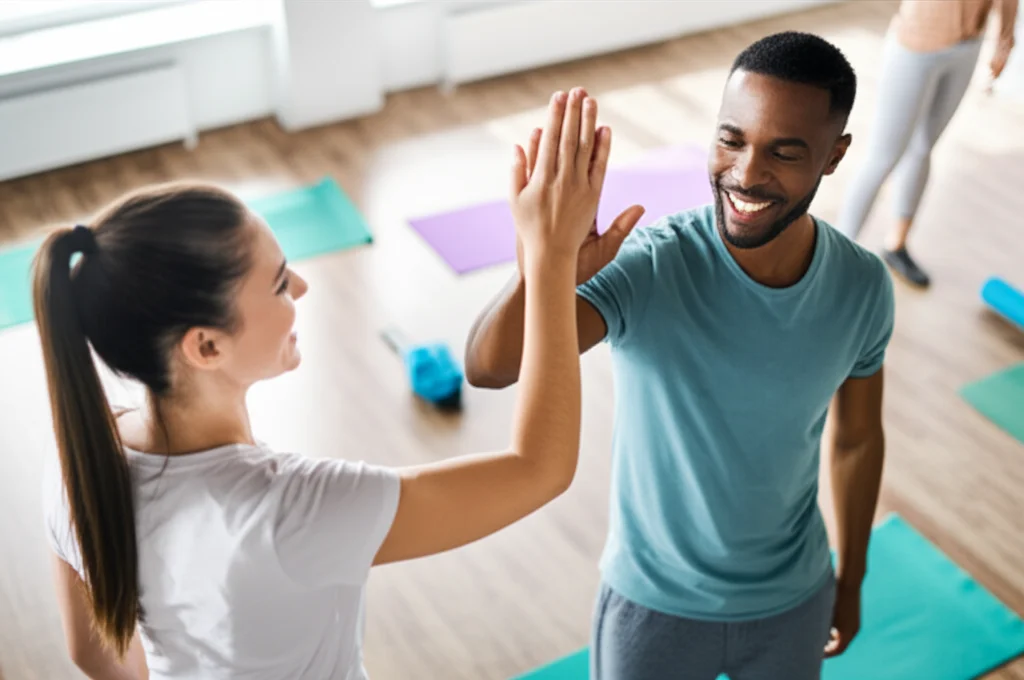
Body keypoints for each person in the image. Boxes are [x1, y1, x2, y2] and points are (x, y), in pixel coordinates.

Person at [36, 89, 637, 679]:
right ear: (206, 346)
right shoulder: (289, 512)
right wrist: (551, 262)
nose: (299, 286)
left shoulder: (80, 467)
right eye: (276, 283)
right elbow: (539, 468)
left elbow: (92, 654)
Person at [465, 33, 894, 680]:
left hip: (794, 600)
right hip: (651, 609)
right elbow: (491, 366)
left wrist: (852, 577)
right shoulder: (652, 265)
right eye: (732, 139)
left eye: (784, 152)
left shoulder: (861, 286)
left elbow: (858, 439)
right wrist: (543, 268)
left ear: (833, 156)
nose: (747, 174)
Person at [837, 0, 1018, 287]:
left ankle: (897, 245)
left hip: (968, 45)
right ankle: (835, 257)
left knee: (922, 149)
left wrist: (1005, 39)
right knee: (884, 156)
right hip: (915, 43)